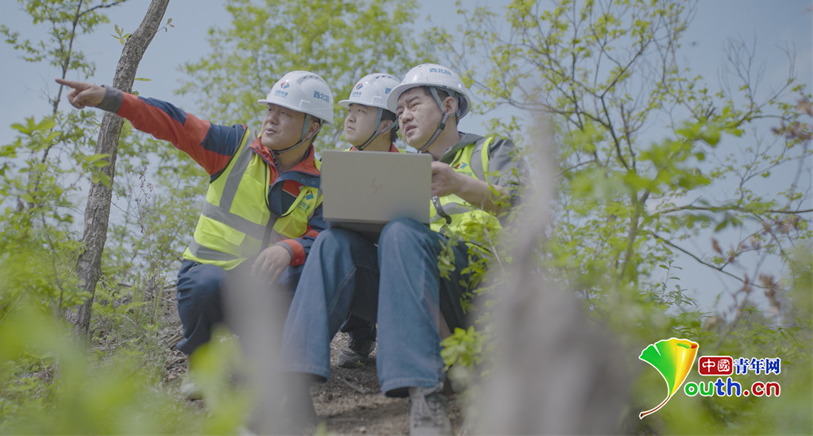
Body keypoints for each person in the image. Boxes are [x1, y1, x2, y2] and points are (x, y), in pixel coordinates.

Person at [278, 63, 521, 435]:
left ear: (449, 106)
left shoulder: (491, 149)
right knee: (334, 241)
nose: (404, 115)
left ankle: (425, 394)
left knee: (403, 232)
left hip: (475, 299)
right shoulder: (400, 171)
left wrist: (458, 183)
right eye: (400, 109)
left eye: (414, 105)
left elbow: (521, 208)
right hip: (414, 297)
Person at [56, 71, 333, 396]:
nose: (271, 119)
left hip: (265, 289)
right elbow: (173, 122)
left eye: (285, 113)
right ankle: (201, 363)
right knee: (207, 283)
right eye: (271, 109)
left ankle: (265, 363)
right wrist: (110, 98)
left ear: (312, 127)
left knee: (308, 274)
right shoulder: (234, 147)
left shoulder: (323, 184)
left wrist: (290, 250)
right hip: (210, 279)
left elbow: (324, 238)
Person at [333, 73, 401, 368]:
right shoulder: (331, 168)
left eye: (361, 111)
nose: (350, 118)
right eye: (350, 111)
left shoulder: (414, 170)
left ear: (387, 124)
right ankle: (359, 335)